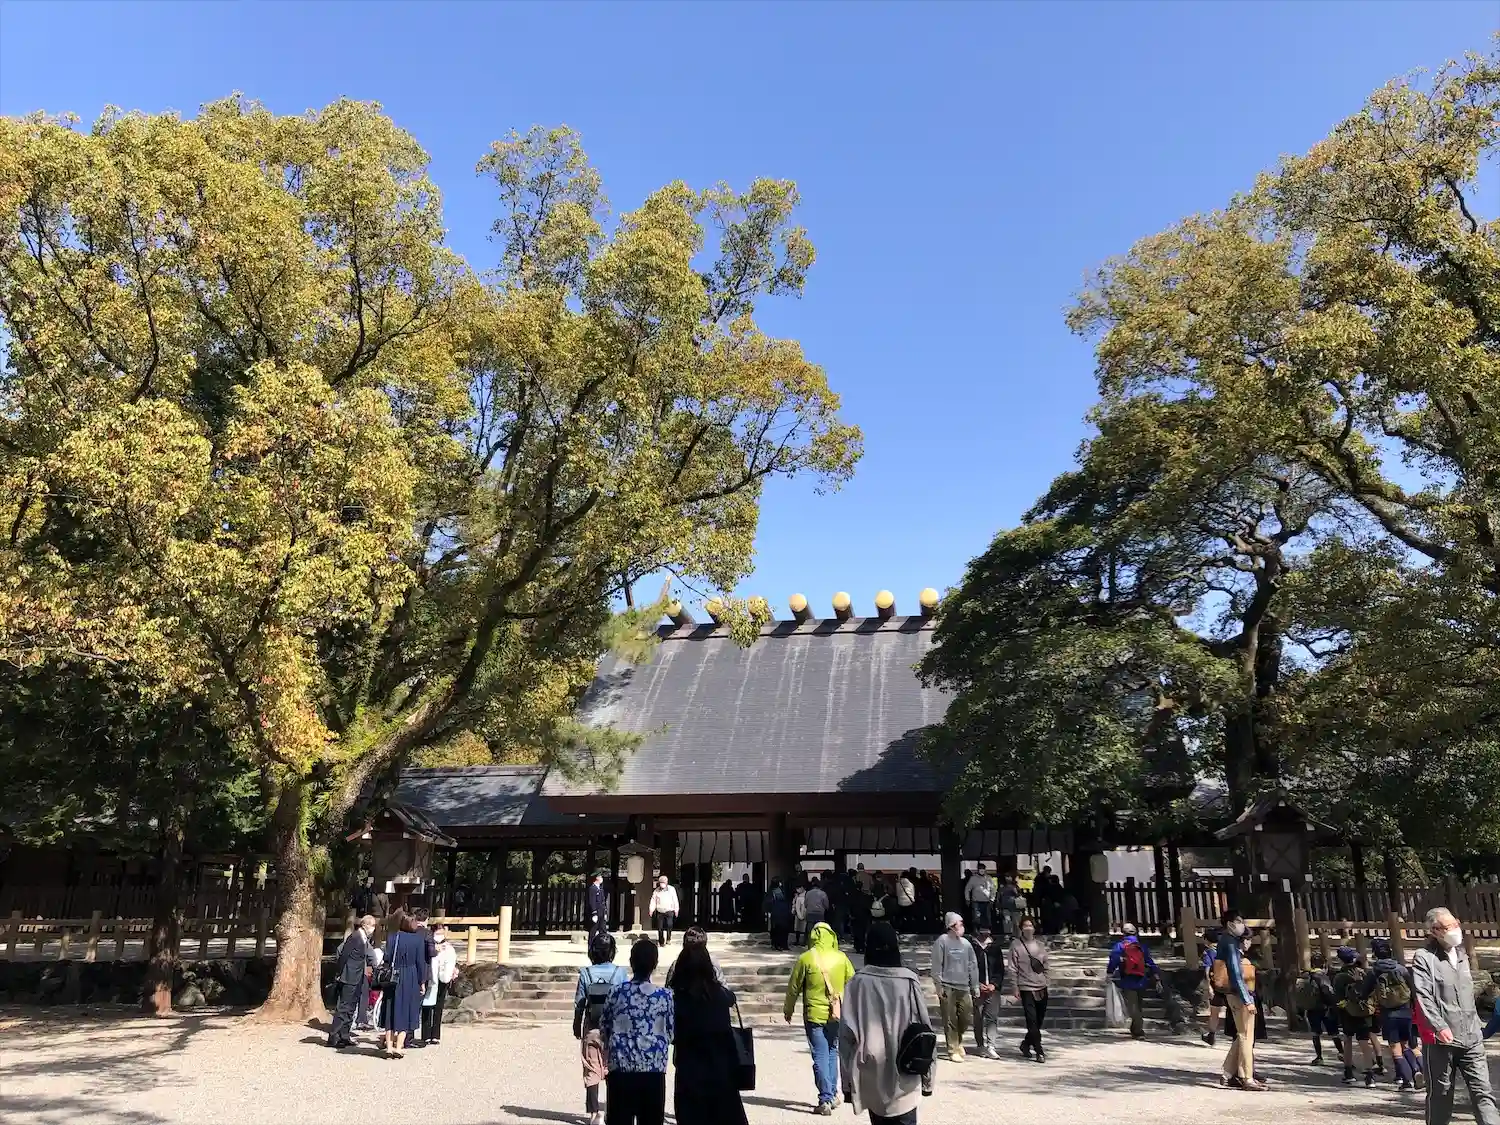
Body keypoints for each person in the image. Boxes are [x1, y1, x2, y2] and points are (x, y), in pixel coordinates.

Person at [840, 921, 937, 1123]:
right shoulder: (909, 982)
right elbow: (925, 1030)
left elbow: (846, 1038)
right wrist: (928, 1078)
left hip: (871, 1074)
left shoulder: (857, 984)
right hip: (906, 1071)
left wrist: (848, 1084)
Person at [1411, 907, 1500, 1125]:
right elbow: (1423, 996)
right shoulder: (1424, 958)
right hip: (1442, 1041)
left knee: (1483, 1093)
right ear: (1434, 931)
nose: (1454, 929)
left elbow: (1468, 994)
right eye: (1448, 926)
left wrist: (1479, 1026)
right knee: (1441, 1096)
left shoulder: (1462, 955)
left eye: (1455, 924)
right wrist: (1438, 1026)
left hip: (1472, 1038)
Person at [671, 938, 749, 1125]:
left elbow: (672, 1035)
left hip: (689, 1072)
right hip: (721, 1070)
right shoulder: (721, 996)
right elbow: (731, 998)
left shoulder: (678, 1000)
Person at [785, 921, 856, 1116]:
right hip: (837, 1013)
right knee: (832, 1051)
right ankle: (832, 1094)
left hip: (814, 1014)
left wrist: (788, 1009)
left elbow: (794, 987)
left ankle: (825, 1098)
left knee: (820, 1054)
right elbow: (853, 983)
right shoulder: (841, 958)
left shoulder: (806, 958)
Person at [601, 938, 674, 1125]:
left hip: (621, 1069)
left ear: (631, 962)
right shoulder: (665, 996)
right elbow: (670, 1032)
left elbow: (605, 1027)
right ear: (655, 964)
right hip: (653, 1070)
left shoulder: (616, 992)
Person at [575, 931, 628, 1125]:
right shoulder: (620, 973)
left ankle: (594, 1113)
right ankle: (612, 1110)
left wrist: (576, 1025)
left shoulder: (586, 973)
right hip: (615, 1028)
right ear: (612, 951)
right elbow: (626, 1001)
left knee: (591, 1068)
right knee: (613, 1069)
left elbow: (579, 1003)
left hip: (592, 1026)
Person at [1213, 911, 1266, 1091]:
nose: (1241, 924)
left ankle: (1228, 1073)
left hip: (1232, 993)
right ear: (1230, 923)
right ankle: (1247, 1077)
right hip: (1239, 993)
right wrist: (1247, 999)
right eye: (1239, 921)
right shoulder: (1230, 943)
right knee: (1246, 1036)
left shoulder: (1225, 941)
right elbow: (1236, 973)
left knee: (1241, 1035)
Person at [1364, 936, 1423, 1091]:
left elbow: (1364, 992)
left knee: (1395, 1048)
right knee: (1407, 1045)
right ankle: (1417, 1071)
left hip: (1388, 1014)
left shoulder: (1374, 972)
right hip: (1406, 1011)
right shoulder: (1402, 969)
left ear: (1375, 954)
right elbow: (1413, 991)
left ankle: (1406, 1082)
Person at [378, 909, 430, 1059]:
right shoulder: (417, 940)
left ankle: (389, 1047)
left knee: (390, 1009)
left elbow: (387, 958)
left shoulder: (392, 938)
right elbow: (420, 963)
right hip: (410, 976)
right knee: (406, 1009)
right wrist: (422, 982)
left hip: (393, 976)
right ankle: (399, 1047)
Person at [929, 912, 979, 1063]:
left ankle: (958, 1040)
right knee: (950, 1018)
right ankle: (952, 1049)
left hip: (964, 986)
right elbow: (936, 965)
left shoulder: (966, 944)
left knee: (965, 1017)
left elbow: (972, 965)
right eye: (959, 923)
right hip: (947, 986)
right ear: (951, 925)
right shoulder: (942, 941)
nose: (962, 926)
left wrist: (975, 985)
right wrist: (938, 985)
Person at [1331, 946, 1379, 1086]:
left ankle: (1348, 1073)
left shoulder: (1340, 977)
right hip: (1364, 1011)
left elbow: (1337, 997)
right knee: (1364, 1042)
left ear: (1341, 960)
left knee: (1348, 1041)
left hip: (1347, 1012)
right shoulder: (1364, 973)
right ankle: (1370, 1076)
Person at [328, 913, 377, 1048]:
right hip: (349, 976)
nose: (373, 928)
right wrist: (340, 973)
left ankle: (344, 1035)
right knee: (343, 1007)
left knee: (351, 1008)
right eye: (372, 925)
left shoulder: (364, 938)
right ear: (364, 925)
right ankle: (334, 1036)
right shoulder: (355, 937)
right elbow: (343, 954)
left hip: (358, 976)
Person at [1006, 915, 1050, 1063]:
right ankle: (1039, 1050)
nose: (1028, 928)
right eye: (1025, 926)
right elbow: (1012, 968)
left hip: (1041, 986)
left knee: (1039, 1021)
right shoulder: (1016, 945)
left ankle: (1026, 1044)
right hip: (1026, 987)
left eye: (1030, 925)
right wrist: (1015, 986)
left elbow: (1046, 965)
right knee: (1031, 1020)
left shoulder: (1040, 945)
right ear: (1021, 928)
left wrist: (1047, 981)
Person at [1106, 922, 1159, 1040]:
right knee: (1138, 1005)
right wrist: (1155, 973)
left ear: (1123, 933)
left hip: (1127, 978)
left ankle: (1138, 1031)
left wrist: (1109, 973)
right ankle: (1135, 1029)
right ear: (1135, 933)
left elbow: (1114, 960)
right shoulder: (1141, 946)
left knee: (1132, 1006)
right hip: (1142, 978)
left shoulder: (1120, 946)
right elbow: (1149, 961)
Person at [968, 926, 1004, 1060]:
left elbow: (1000, 969)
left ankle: (991, 1046)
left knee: (992, 1017)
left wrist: (994, 984)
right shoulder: (972, 947)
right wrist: (976, 984)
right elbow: (968, 968)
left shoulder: (995, 948)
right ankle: (980, 1045)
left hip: (993, 989)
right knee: (978, 1018)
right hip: (977, 988)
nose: (985, 934)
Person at [423, 922, 456, 1047]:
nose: (440, 935)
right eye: (438, 932)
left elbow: (452, 960)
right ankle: (426, 1034)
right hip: (430, 978)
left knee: (439, 1006)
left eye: (442, 932)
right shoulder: (428, 945)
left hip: (443, 978)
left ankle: (435, 1035)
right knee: (427, 1006)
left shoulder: (448, 947)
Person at [648, 875, 679, 947]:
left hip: (669, 910)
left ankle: (668, 939)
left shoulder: (671, 889)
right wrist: (651, 910)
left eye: (663, 882)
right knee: (660, 927)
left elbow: (675, 899)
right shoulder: (656, 891)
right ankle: (661, 941)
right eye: (661, 882)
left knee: (669, 925)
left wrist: (676, 909)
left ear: (666, 883)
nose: (662, 884)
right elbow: (653, 901)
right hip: (660, 911)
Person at [964, 865, 995, 932]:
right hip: (976, 902)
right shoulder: (973, 878)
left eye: (983, 868)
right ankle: (976, 931)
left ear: (985, 869)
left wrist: (992, 899)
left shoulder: (989, 878)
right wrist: (967, 899)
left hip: (987, 902)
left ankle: (987, 931)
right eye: (980, 868)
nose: (981, 870)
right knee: (976, 917)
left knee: (987, 917)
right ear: (978, 869)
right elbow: (967, 889)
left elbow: (993, 890)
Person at [768, 879, 793, 951]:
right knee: (783, 929)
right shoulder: (782, 891)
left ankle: (776, 945)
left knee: (776, 929)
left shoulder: (771, 891)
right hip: (783, 912)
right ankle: (782, 945)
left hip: (776, 913)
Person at [588, 872, 609, 939]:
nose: (602, 878)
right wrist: (594, 913)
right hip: (596, 912)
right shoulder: (592, 888)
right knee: (593, 930)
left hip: (601, 912)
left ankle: (603, 943)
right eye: (601, 877)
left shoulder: (600, 888)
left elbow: (603, 902)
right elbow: (592, 901)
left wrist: (605, 912)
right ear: (597, 878)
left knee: (603, 930)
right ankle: (591, 944)